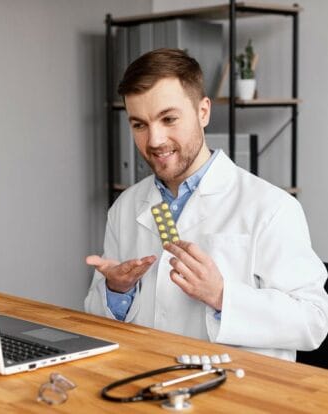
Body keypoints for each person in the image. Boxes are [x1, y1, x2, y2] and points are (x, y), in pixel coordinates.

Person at [84, 48, 328, 361]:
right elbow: (96, 315)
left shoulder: (271, 207)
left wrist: (222, 296)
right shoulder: (127, 206)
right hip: (148, 380)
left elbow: (314, 321)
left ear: (203, 112)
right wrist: (117, 291)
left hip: (239, 394)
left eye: (169, 119)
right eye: (139, 124)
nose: (155, 140)